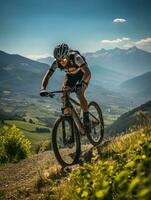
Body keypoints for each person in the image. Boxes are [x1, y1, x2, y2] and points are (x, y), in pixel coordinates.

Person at [40, 43, 91, 132]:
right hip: (70, 77)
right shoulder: (56, 62)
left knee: (79, 93)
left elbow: (87, 72)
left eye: (63, 59)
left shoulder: (76, 57)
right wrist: (43, 88)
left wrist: (82, 83)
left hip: (82, 75)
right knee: (64, 94)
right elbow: (47, 76)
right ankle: (69, 117)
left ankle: (86, 116)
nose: (61, 62)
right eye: (59, 60)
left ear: (67, 55)